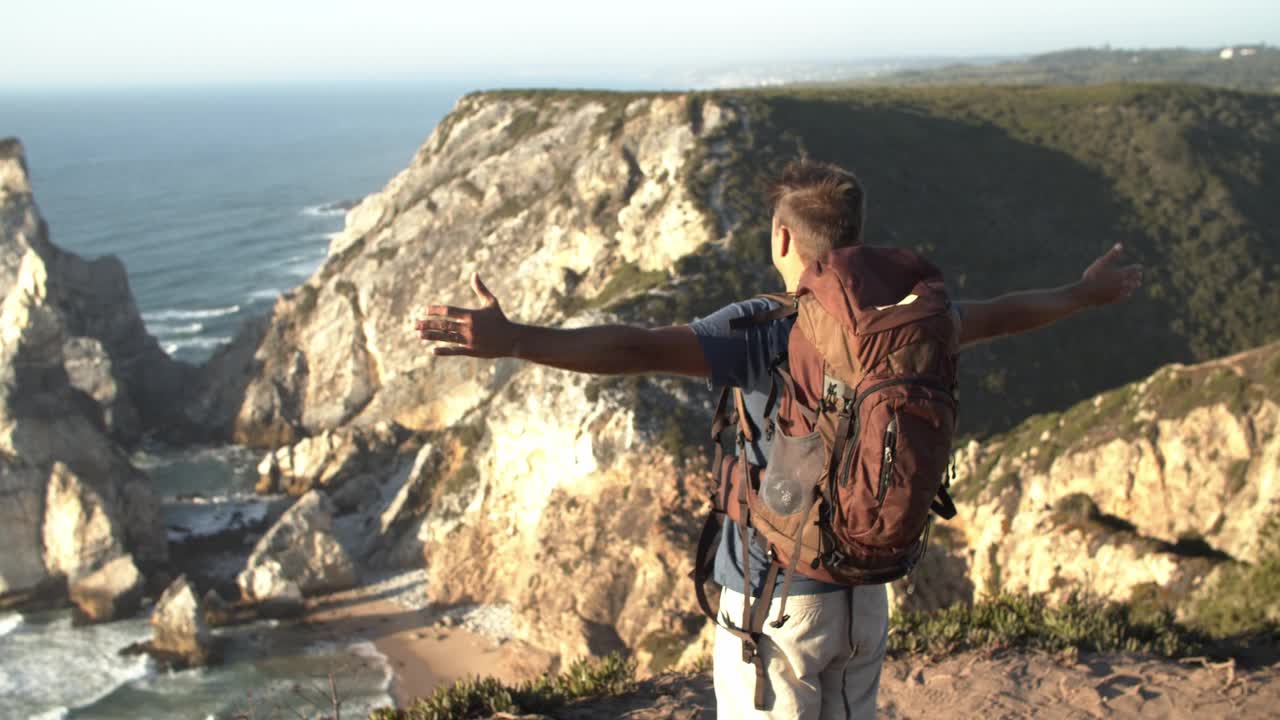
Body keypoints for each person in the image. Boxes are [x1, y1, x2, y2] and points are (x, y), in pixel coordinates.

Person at [415, 160, 1142, 719]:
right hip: (867, 598)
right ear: (854, 237)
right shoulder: (909, 325)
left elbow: (636, 347)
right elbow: (1006, 312)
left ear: (782, 238)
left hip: (777, 603)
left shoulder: (764, 327)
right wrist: (1084, 293)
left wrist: (515, 339)